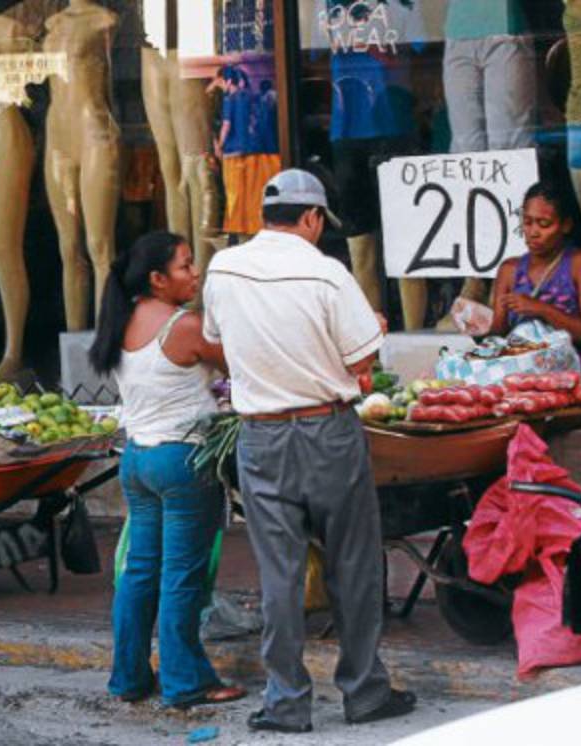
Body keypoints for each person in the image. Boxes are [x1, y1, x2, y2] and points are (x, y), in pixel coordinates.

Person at [202, 169, 414, 733]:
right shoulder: (327, 273)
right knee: (354, 563)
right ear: (313, 218)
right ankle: (364, 691)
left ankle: (286, 702)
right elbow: (362, 359)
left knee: (280, 574)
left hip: (261, 435)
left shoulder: (222, 267)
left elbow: (221, 339)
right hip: (327, 432)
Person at [88, 231, 246, 710]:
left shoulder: (121, 320)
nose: (194, 273)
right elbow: (239, 361)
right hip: (182, 462)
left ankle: (128, 678)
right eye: (184, 266)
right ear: (158, 279)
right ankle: (185, 683)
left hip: (137, 461)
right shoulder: (184, 326)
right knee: (183, 577)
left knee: (140, 573)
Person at [489, 181, 581, 398]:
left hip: (578, 377)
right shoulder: (509, 270)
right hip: (523, 377)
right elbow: (497, 336)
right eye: (527, 222)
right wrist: (478, 329)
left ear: (565, 225)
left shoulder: (579, 263)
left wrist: (541, 309)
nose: (533, 232)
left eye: (544, 224)